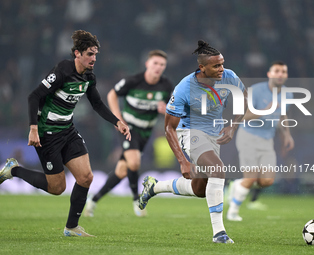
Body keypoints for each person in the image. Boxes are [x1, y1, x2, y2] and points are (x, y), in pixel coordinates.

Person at [0, 30, 130, 237]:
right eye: (89, 54)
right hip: (47, 132)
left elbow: (96, 103)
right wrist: (33, 128)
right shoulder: (62, 71)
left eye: (95, 54)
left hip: (68, 130)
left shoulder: (88, 77)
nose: (94, 58)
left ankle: (71, 227)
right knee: (57, 187)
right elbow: (33, 96)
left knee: (86, 177)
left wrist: (117, 122)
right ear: (77, 53)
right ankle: (13, 170)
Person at [138, 40, 247, 244]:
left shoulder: (229, 76)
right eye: (216, 66)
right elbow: (169, 127)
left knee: (199, 190)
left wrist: (232, 126)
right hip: (190, 133)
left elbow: (244, 98)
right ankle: (219, 233)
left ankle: (154, 187)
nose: (221, 69)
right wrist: (182, 160)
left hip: (214, 135)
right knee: (218, 169)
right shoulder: (184, 89)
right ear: (202, 68)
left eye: (222, 64)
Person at [84, 50, 173, 217]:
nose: (158, 67)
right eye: (155, 63)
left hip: (146, 132)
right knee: (134, 163)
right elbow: (112, 95)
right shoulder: (133, 81)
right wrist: (118, 120)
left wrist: (166, 111)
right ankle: (136, 201)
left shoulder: (166, 86)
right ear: (147, 64)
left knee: (122, 170)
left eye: (162, 65)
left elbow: (173, 110)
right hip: (129, 128)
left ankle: (93, 200)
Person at [226, 61, 294, 221]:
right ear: (269, 74)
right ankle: (233, 211)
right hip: (248, 136)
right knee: (250, 177)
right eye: (277, 71)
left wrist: (287, 135)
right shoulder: (255, 91)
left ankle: (237, 185)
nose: (280, 74)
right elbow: (242, 116)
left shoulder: (288, 94)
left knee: (267, 180)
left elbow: (283, 115)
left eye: (283, 71)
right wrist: (264, 110)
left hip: (267, 139)